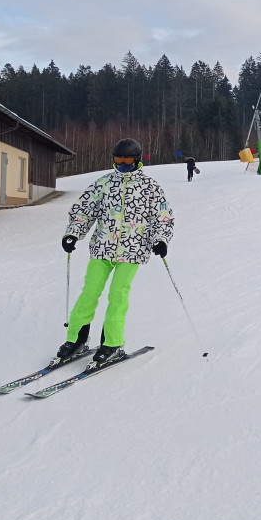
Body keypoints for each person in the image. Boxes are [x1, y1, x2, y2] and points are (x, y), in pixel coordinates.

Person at [56, 138, 174, 367]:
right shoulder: (104, 183)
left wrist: (160, 240)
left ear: (137, 160)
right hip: (102, 248)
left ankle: (112, 343)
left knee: (117, 295)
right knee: (89, 292)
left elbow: (163, 217)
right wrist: (73, 233)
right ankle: (76, 340)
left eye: (126, 160)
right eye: (118, 160)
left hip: (132, 251)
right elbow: (84, 210)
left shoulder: (149, 187)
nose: (122, 164)